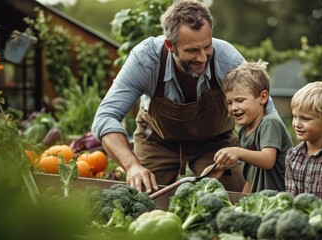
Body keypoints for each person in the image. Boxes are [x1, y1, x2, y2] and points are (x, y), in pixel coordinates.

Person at [91, 0, 278, 193]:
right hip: (157, 141)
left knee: (231, 199)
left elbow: (266, 113)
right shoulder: (145, 60)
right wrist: (132, 166)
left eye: (207, 46)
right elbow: (105, 117)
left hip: (215, 143)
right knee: (144, 198)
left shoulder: (227, 59)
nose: (203, 58)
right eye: (192, 50)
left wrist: (271, 156)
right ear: (170, 45)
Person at [203, 60, 293, 193]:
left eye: (240, 100)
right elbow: (251, 178)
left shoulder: (270, 123)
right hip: (261, 202)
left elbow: (268, 160)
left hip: (278, 202)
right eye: (229, 102)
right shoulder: (245, 131)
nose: (234, 108)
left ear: (262, 97)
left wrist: (237, 152)